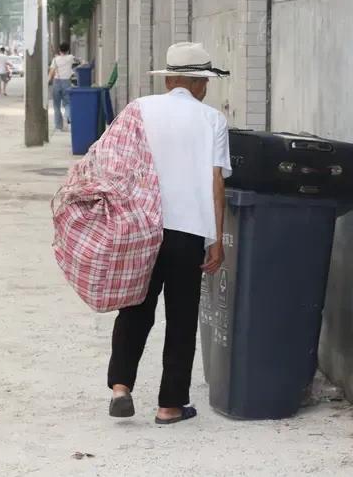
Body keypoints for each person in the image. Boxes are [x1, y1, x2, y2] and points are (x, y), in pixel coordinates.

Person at [108, 42, 231, 425]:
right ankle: (170, 405)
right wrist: (216, 240)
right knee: (181, 317)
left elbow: (115, 164)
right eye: (206, 81)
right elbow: (216, 182)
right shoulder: (212, 120)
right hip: (188, 232)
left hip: (143, 226)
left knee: (135, 307)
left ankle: (121, 387)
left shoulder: (138, 110)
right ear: (196, 82)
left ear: (170, 78)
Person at [48, 42, 76, 131]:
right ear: (68, 50)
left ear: (60, 50)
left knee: (56, 105)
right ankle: (66, 116)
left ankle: (58, 125)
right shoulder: (70, 58)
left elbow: (52, 71)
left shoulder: (55, 59)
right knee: (68, 103)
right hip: (66, 82)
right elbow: (78, 61)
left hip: (56, 82)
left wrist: (48, 81)